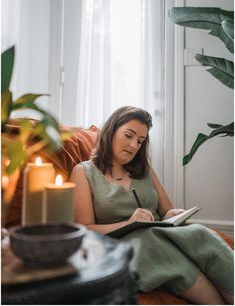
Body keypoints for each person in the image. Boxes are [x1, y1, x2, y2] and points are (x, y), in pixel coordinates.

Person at [70, 106, 234, 305]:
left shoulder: (144, 169)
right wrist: (130, 222)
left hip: (159, 234)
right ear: (111, 131)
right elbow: (85, 230)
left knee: (199, 231)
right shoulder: (83, 172)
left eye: (140, 141)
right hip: (121, 244)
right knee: (151, 243)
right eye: (128, 135)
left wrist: (173, 213)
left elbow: (167, 212)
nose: (133, 145)